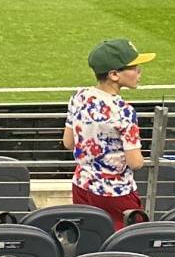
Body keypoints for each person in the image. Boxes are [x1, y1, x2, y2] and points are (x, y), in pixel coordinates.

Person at [64, 39, 153, 230]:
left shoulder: (78, 96)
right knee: (127, 243)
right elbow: (135, 162)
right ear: (113, 74)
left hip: (81, 185)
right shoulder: (123, 111)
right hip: (116, 193)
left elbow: (68, 142)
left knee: (90, 237)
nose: (139, 72)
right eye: (134, 67)